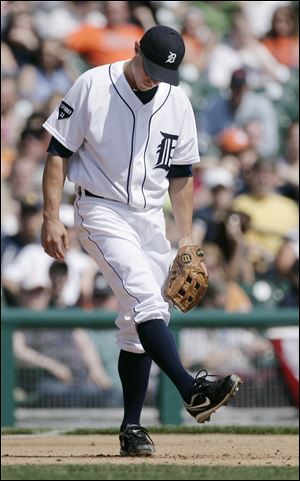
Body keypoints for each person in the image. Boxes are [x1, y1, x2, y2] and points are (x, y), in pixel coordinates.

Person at [41, 25, 242, 457]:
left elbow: (182, 174)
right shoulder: (93, 84)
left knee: (140, 328)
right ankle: (191, 389)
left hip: (151, 218)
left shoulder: (177, 99)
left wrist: (185, 237)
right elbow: (57, 151)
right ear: (135, 49)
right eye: (149, 66)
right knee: (148, 304)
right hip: (100, 209)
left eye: (162, 72)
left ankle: (132, 428)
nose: (154, 77)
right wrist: (49, 216)